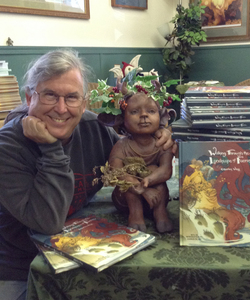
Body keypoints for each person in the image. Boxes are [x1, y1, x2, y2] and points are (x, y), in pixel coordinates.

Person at [0, 49, 175, 300]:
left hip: (82, 260)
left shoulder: (94, 128)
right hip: (21, 269)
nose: (61, 108)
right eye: (49, 95)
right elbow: (48, 222)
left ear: (83, 105)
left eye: (72, 97)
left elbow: (130, 156)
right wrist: (51, 149)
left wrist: (163, 135)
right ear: (29, 98)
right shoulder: (8, 147)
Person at [103, 83, 174, 233]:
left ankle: (160, 214)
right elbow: (116, 172)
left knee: (154, 170)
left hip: (156, 197)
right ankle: (136, 215)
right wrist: (142, 188)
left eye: (151, 111)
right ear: (122, 119)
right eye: (135, 111)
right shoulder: (121, 146)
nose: (144, 115)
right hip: (126, 201)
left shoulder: (162, 143)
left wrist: (149, 181)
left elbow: (166, 170)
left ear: (160, 117)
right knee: (128, 180)